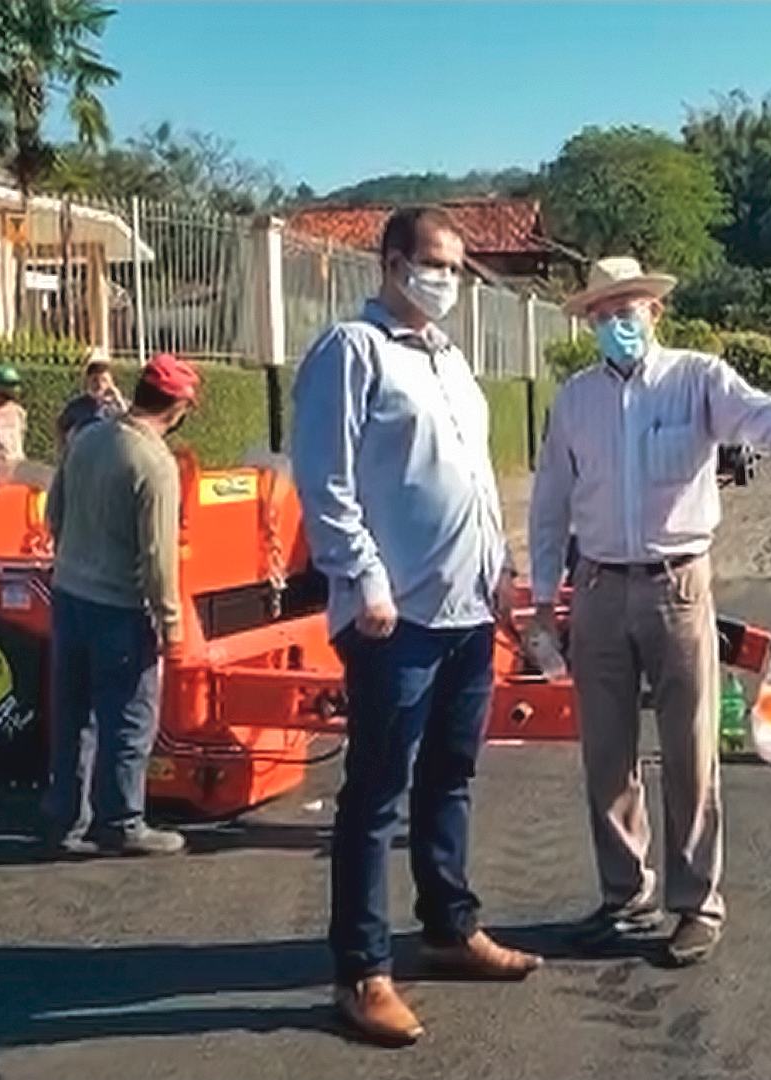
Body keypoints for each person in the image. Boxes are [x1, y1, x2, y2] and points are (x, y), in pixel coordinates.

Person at [527, 256, 771, 968]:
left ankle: (696, 905)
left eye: (631, 308)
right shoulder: (575, 401)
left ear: (655, 313)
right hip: (595, 589)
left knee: (690, 751)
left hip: (676, 586)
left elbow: (756, 414)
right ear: (588, 321)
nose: (618, 321)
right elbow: (550, 503)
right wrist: (540, 601)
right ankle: (624, 897)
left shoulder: (698, 380)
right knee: (606, 754)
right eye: (604, 311)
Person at [290, 206, 542, 1048]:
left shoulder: (451, 362)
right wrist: (361, 576)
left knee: (453, 775)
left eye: (457, 267)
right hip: (393, 616)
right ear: (392, 262)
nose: (448, 279)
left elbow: (473, 480)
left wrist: (503, 566)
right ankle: (362, 972)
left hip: (468, 607)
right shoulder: (351, 351)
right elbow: (324, 481)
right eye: (435, 262)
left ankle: (447, 927)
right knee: (373, 795)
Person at [40, 352, 201, 859]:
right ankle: (123, 821)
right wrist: (172, 626)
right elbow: (158, 557)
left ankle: (65, 817)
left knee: (73, 713)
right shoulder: (154, 462)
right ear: (178, 409)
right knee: (129, 717)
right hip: (120, 609)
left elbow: (54, 512)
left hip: (69, 597)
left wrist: (76, 560)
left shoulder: (88, 437)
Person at [56, 355, 129, 449]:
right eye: (95, 380)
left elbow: (131, 428)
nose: (100, 385)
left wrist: (118, 399)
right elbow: (61, 427)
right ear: (87, 381)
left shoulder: (118, 407)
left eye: (104, 380)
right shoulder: (76, 407)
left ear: (112, 383)